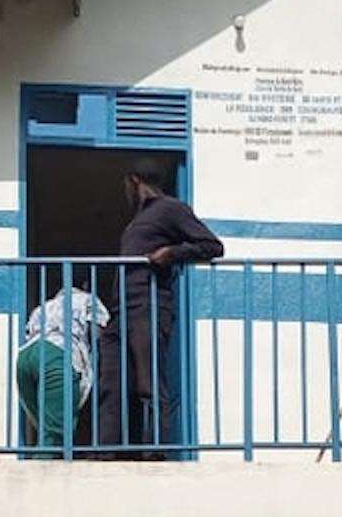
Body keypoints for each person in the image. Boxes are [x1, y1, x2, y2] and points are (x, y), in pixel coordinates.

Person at [98, 159, 222, 453]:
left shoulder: (171, 209)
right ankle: (104, 450)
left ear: (134, 181)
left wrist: (172, 252)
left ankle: (154, 450)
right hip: (121, 311)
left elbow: (213, 246)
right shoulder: (139, 217)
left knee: (148, 381)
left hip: (149, 305)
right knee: (111, 382)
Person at [15, 279, 108, 454]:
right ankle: (42, 474)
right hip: (57, 354)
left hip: (26, 356)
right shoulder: (88, 300)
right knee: (56, 432)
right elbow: (98, 335)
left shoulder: (44, 306)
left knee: (43, 424)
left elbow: (29, 332)